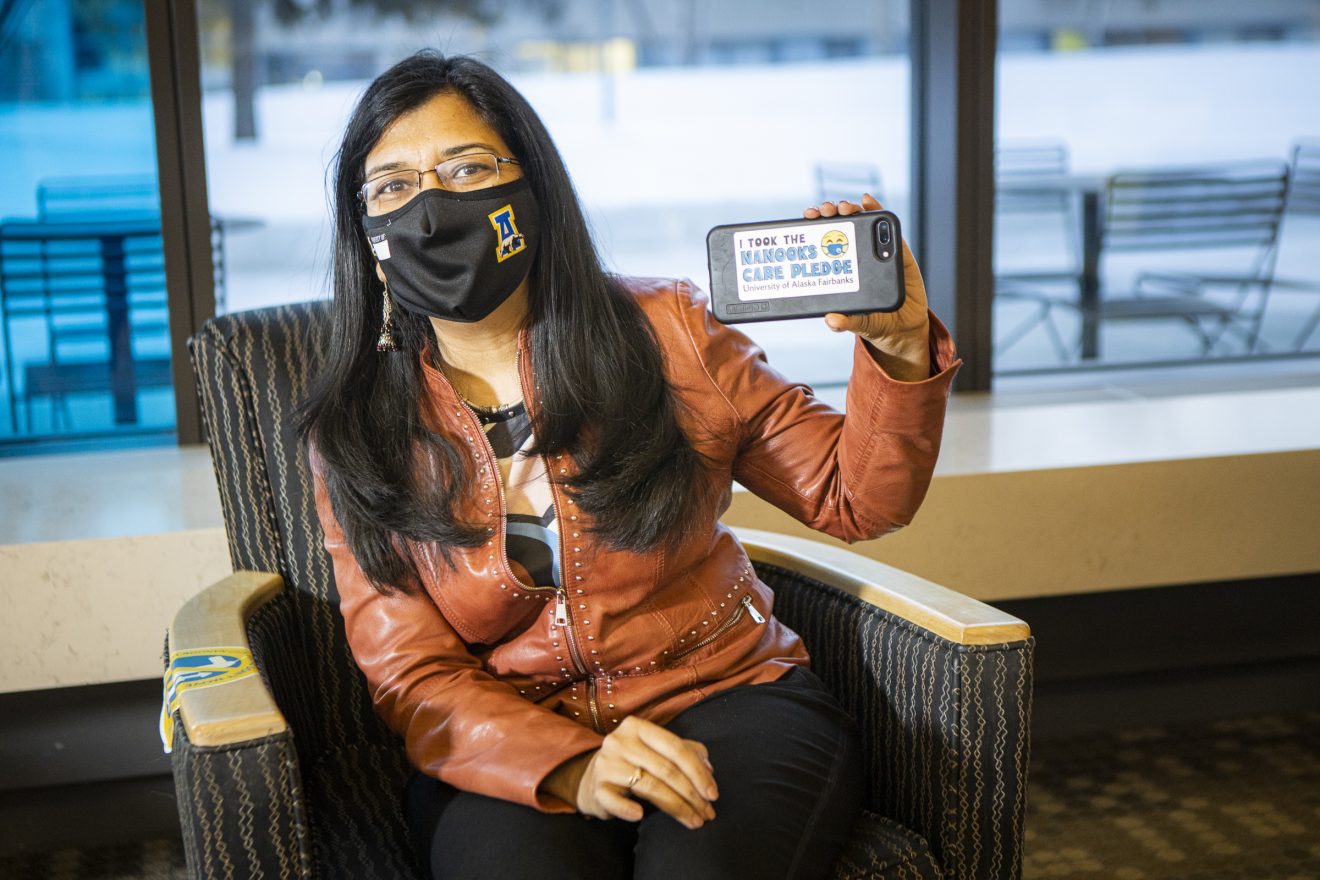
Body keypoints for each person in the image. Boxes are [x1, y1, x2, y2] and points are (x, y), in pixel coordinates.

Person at [301, 50, 960, 880]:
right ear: (365, 235)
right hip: (512, 737)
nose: (429, 207)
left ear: (530, 190)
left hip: (729, 696)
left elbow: (855, 498)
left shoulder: (667, 329)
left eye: (467, 167)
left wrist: (897, 346)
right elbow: (413, 673)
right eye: (392, 186)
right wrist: (571, 764)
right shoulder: (354, 428)